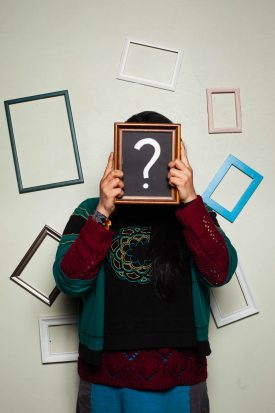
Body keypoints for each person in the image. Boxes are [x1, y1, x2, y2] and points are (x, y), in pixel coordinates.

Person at [53, 111, 237, 413]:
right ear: (119, 157)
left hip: (181, 381)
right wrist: (102, 211)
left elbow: (220, 271)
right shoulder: (90, 212)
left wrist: (190, 201)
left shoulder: (195, 215)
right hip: (104, 381)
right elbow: (70, 281)